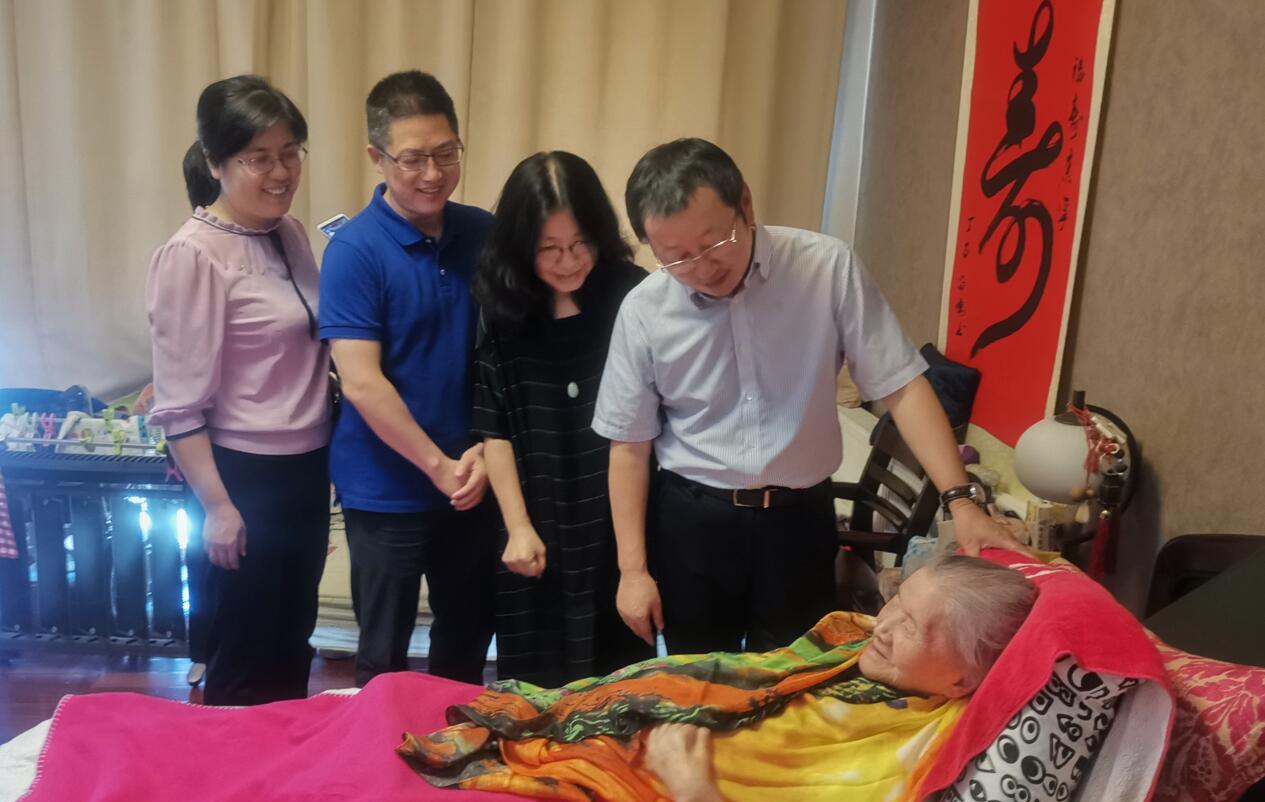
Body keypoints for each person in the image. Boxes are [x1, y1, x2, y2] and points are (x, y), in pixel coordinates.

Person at [402, 554, 1039, 802]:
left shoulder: (908, 757)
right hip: (596, 727)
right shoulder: (854, 651)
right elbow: (724, 678)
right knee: (395, 698)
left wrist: (693, 791)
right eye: (896, 600)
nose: (884, 623)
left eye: (913, 626)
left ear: (963, 679)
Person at [592, 138, 1026, 657]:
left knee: (800, 675)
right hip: (693, 522)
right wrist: (632, 571)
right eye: (677, 258)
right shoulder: (643, 311)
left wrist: (961, 500)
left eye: (714, 242)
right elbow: (629, 446)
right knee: (698, 679)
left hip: (798, 522)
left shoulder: (826, 268)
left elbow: (902, 385)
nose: (703, 268)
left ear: (746, 204)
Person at [146, 75, 330, 706]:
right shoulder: (192, 255)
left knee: (291, 641)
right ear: (215, 161)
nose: (280, 172)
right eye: (258, 158)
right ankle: (233, 764)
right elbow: (179, 404)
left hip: (305, 470)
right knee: (244, 652)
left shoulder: (289, 233)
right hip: (241, 476)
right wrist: (218, 507)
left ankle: (285, 764)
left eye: (290, 152)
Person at [319, 71, 496, 687]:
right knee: (382, 655)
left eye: (446, 153)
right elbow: (361, 382)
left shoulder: (483, 233)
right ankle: (380, 749)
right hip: (386, 488)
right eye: (413, 159)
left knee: (467, 640)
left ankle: (457, 745)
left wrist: (482, 453)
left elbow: (506, 356)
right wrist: (437, 466)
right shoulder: (354, 250)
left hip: (472, 477)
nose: (433, 174)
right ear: (378, 157)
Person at [471, 151, 654, 686]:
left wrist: (636, 563)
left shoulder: (632, 295)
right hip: (535, 520)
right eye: (549, 248)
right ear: (520, 245)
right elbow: (494, 427)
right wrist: (517, 527)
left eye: (580, 244)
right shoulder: (502, 306)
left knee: (618, 680)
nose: (569, 261)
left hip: (617, 519)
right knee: (534, 684)